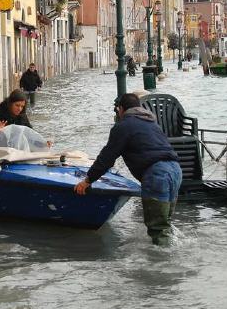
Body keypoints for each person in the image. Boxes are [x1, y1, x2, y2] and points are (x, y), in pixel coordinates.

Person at [73, 93, 182, 245]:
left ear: (121, 109)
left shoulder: (123, 126)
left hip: (157, 174)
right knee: (165, 226)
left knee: (158, 231)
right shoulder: (151, 123)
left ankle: (161, 266)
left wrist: (88, 180)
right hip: (175, 171)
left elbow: (107, 158)